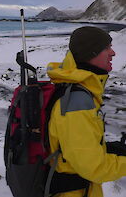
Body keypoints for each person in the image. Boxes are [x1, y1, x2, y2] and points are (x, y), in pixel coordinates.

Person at [47, 26, 126, 197]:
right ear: (91, 52)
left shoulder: (74, 89)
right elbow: (95, 167)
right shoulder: (77, 101)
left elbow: (73, 148)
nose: (113, 53)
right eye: (107, 48)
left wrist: (110, 148)